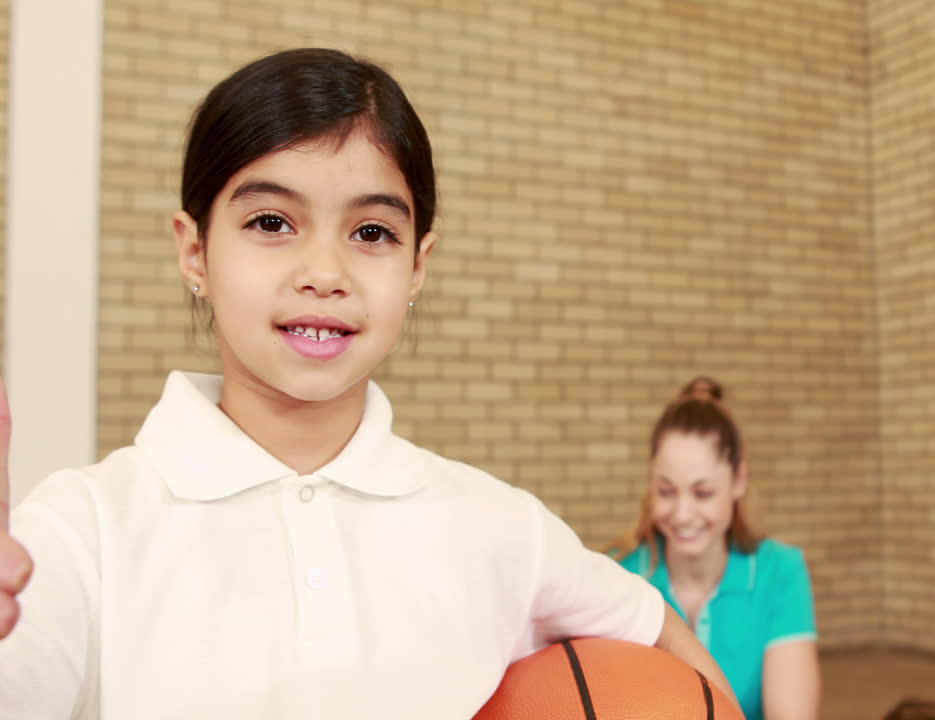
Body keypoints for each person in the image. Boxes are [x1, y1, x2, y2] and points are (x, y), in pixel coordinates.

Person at [0, 48, 736, 718]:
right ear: (194, 251)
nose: (324, 273)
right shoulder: (78, 530)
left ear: (418, 265)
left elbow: (664, 641)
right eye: (270, 221)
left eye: (372, 233)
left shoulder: (501, 527)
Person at [608, 377, 821, 720]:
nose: (682, 514)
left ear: (738, 481)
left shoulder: (780, 572)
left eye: (703, 493)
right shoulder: (618, 577)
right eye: (666, 491)